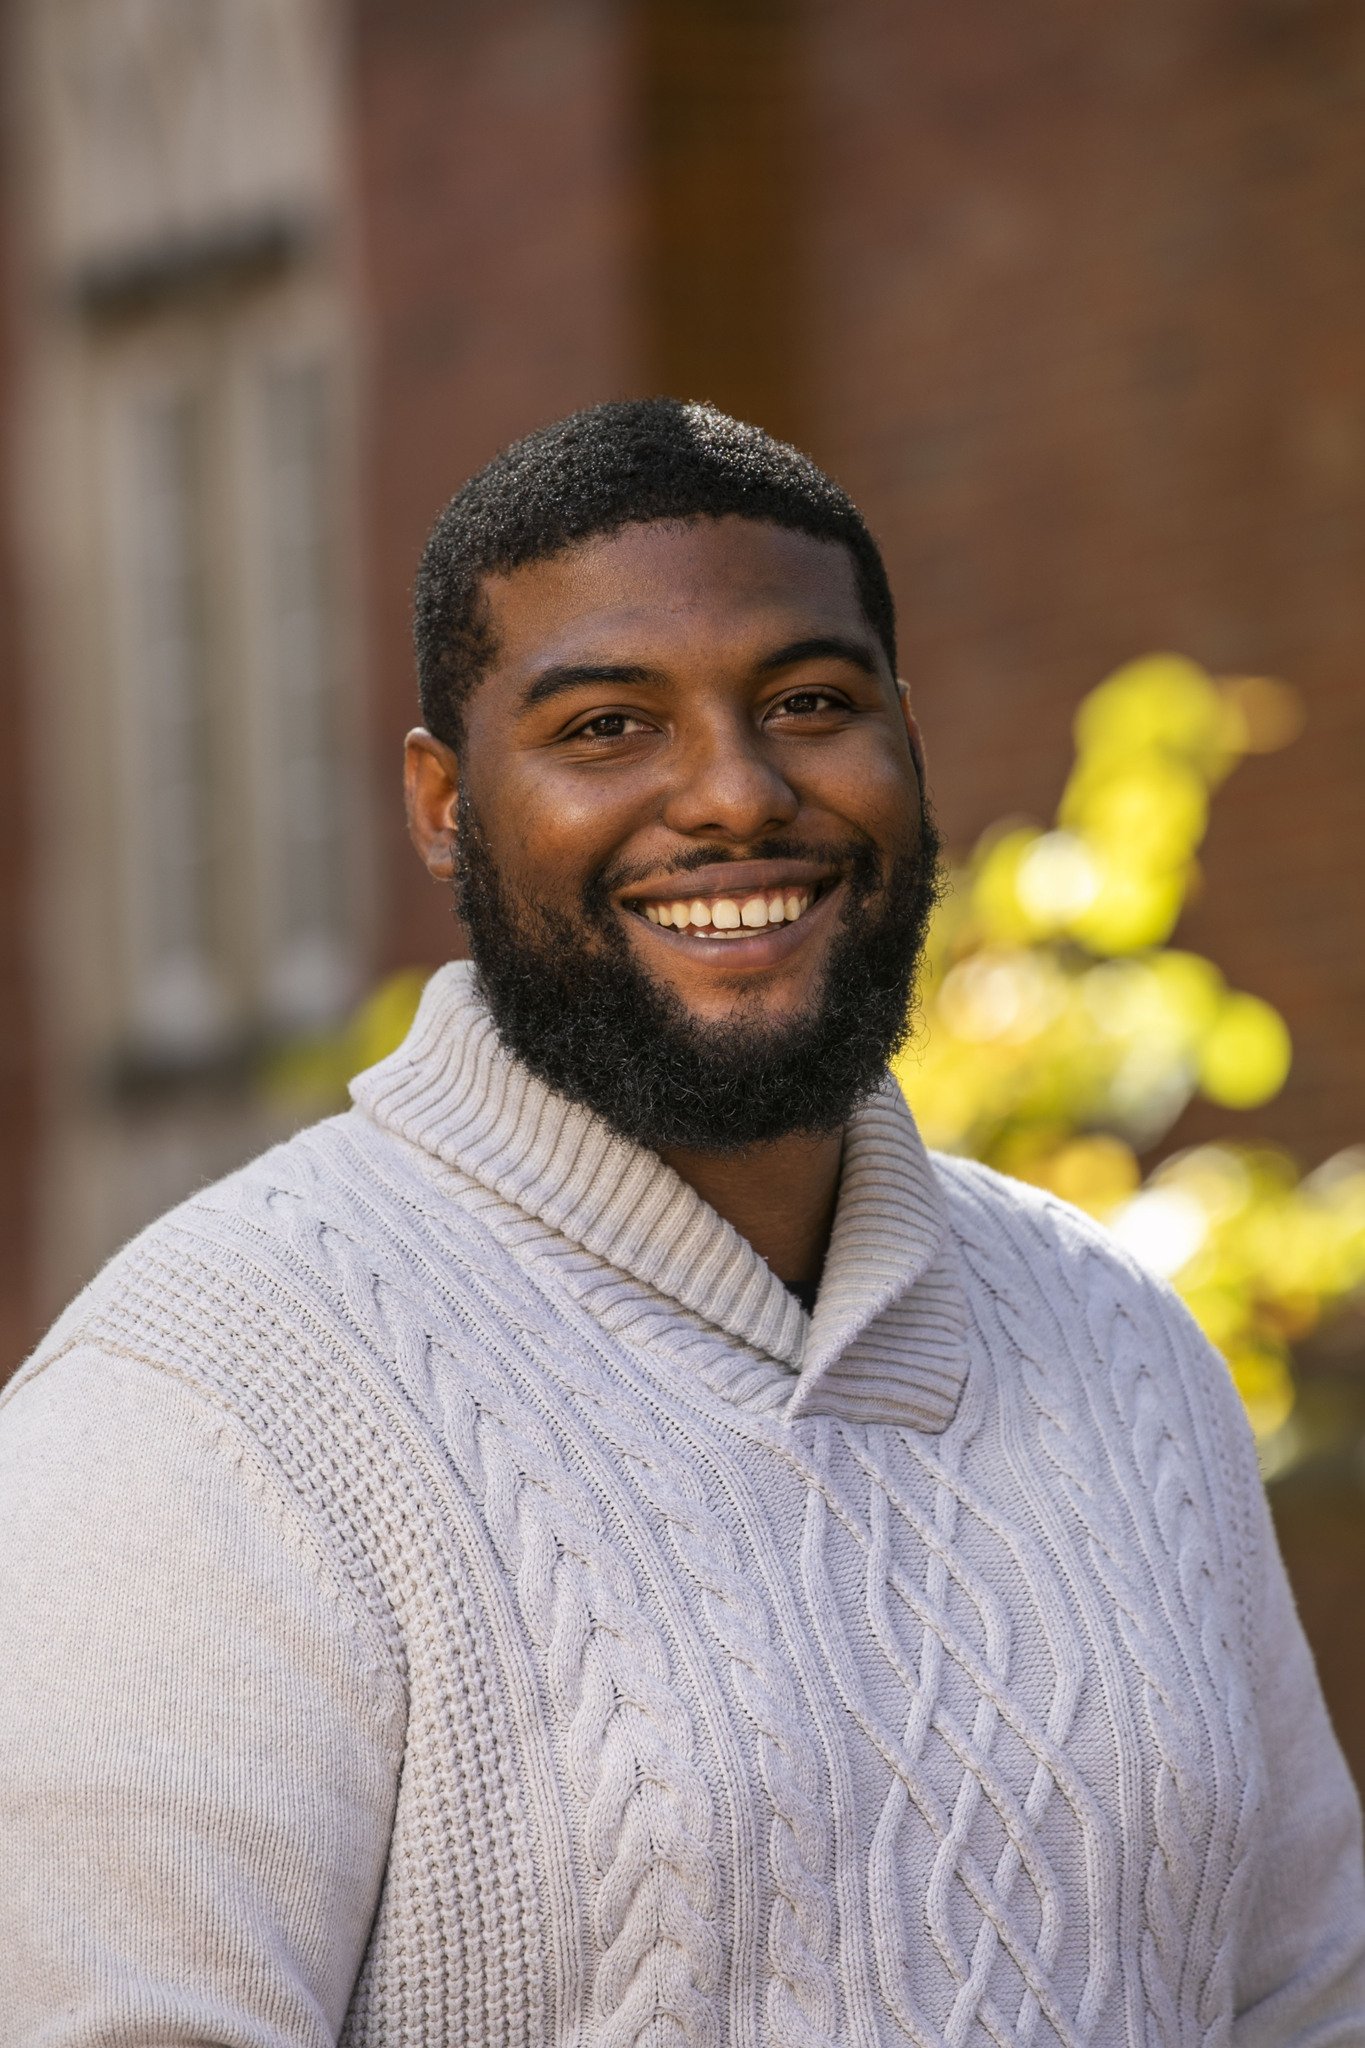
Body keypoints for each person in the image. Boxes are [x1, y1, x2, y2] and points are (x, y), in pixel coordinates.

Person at [1, 399, 1361, 2046]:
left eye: (807, 703)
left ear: (907, 742)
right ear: (443, 805)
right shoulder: (198, 1406)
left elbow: (1305, 1996)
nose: (732, 795)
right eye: (603, 728)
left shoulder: (1120, 1342)